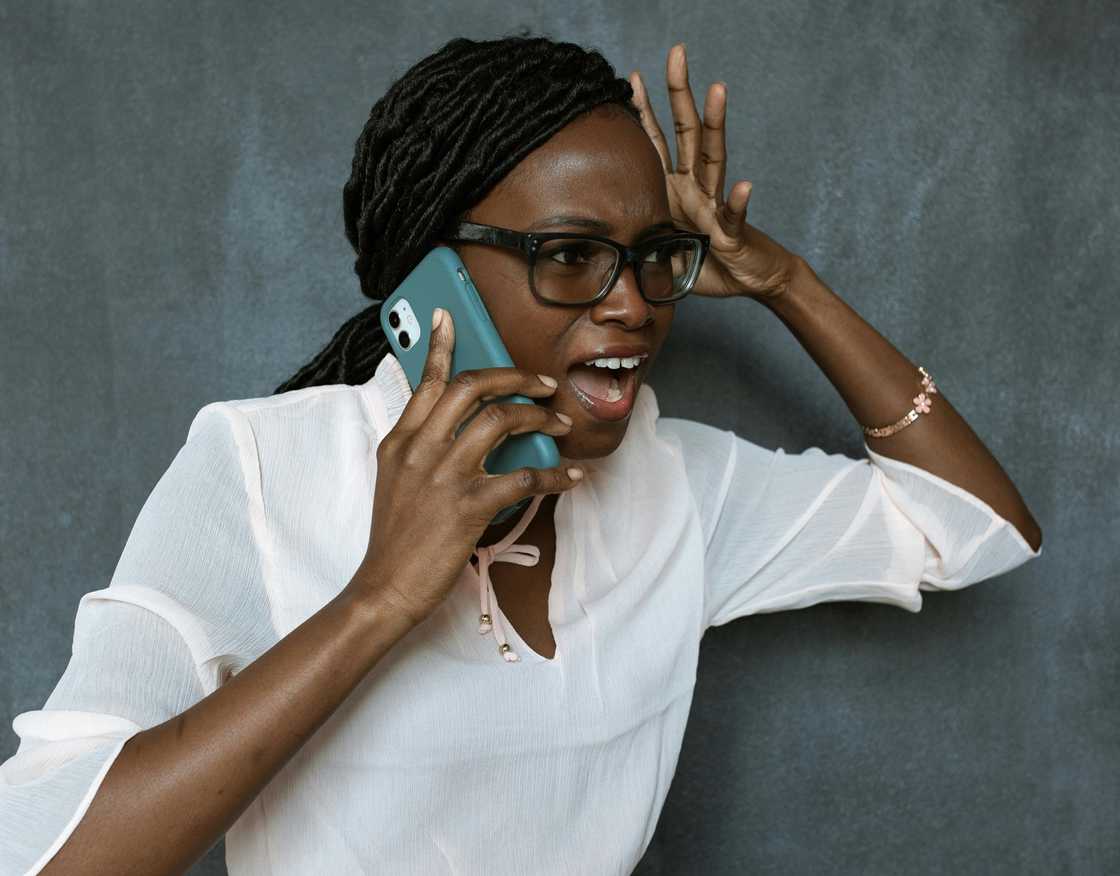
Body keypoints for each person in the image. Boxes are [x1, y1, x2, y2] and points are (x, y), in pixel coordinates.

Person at [0, 34, 1042, 876]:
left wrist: (785, 284)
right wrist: (379, 598)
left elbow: (973, 532)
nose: (631, 302)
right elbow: (47, 856)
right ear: (432, 274)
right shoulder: (265, 470)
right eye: (570, 255)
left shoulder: (670, 480)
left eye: (650, 256)